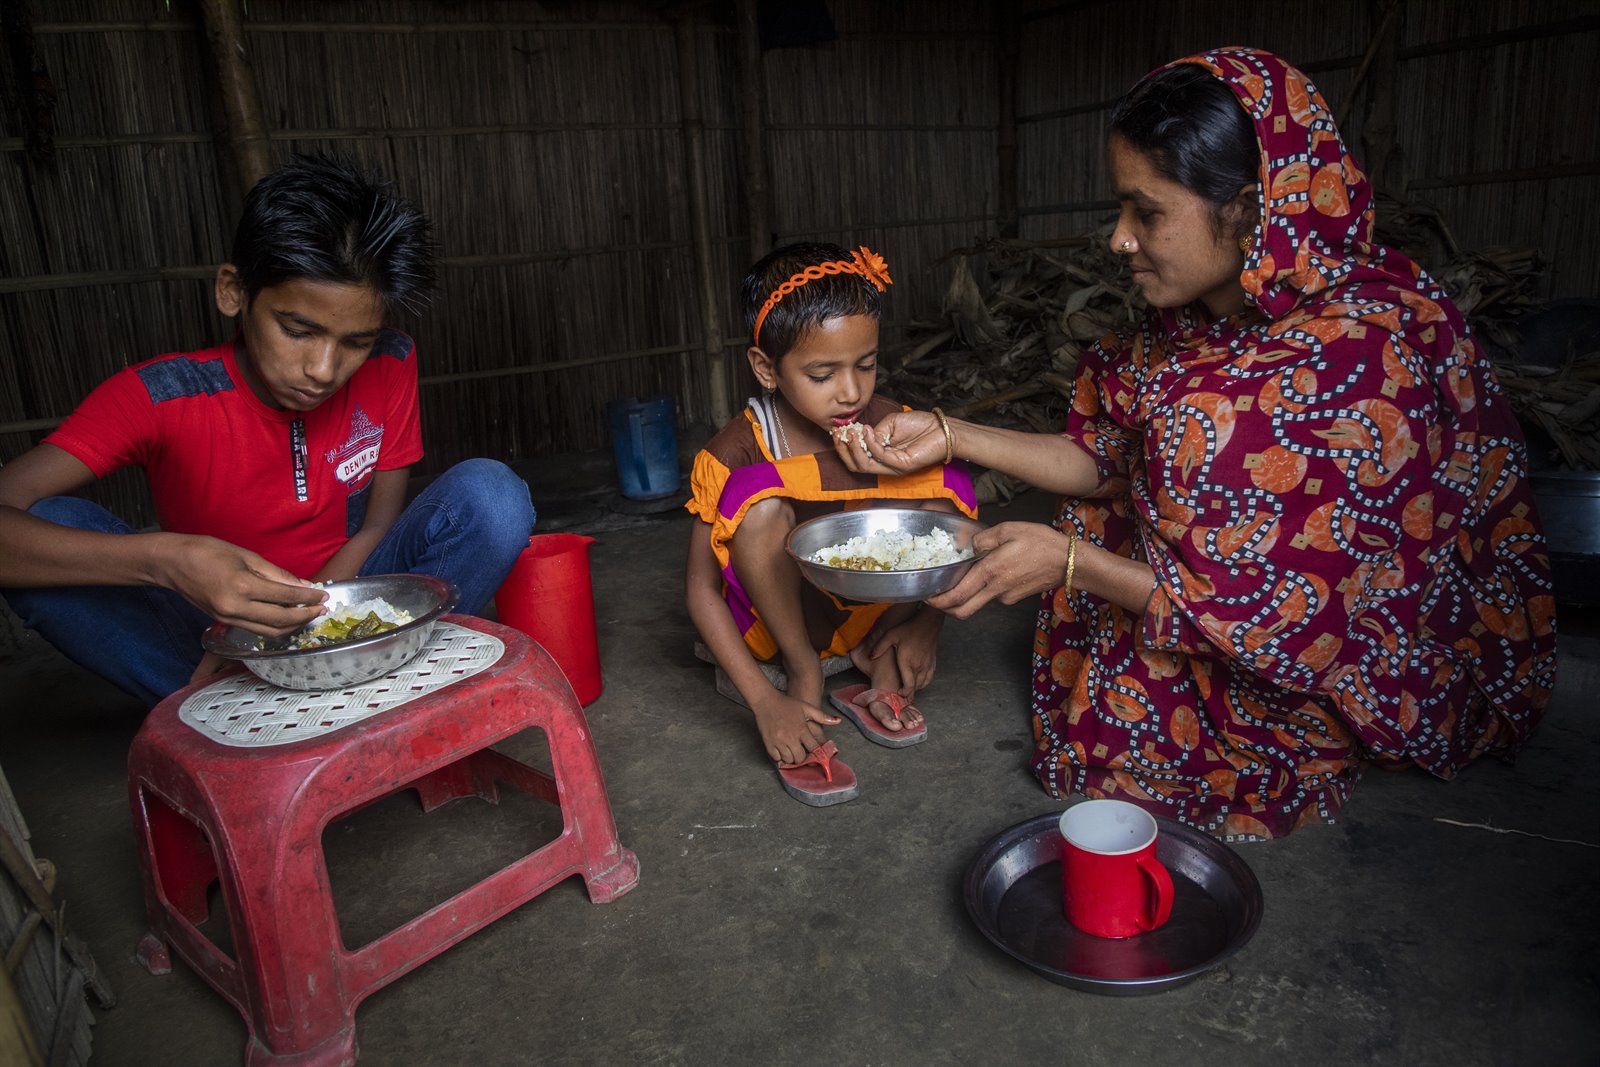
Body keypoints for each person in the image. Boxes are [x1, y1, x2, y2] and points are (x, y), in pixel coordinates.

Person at [837, 48, 1557, 839]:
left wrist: (1071, 564)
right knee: (1094, 521)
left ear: (1251, 211)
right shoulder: (1191, 321)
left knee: (1106, 580)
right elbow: (1107, 461)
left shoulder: (1365, 357)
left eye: (1145, 213)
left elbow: (1290, 619)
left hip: (1333, 642)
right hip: (1219, 592)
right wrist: (948, 434)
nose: (1118, 240)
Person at [0, 153, 536, 708]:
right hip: (210, 639)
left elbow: (376, 528)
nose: (324, 370)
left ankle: (380, 684)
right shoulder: (160, 396)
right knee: (46, 527)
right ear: (234, 291)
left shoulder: (390, 360)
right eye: (297, 330)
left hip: (356, 608)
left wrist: (308, 631)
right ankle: (225, 702)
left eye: (356, 341)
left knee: (490, 494)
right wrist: (169, 561)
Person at [684, 242, 978, 805]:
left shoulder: (889, 425)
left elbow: (955, 529)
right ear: (766, 368)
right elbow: (700, 592)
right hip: (774, 630)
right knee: (761, 506)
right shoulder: (736, 450)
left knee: (943, 501)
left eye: (865, 365)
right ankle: (805, 676)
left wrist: (926, 626)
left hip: (868, 613)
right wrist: (763, 700)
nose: (851, 392)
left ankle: (881, 646)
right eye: (823, 373)